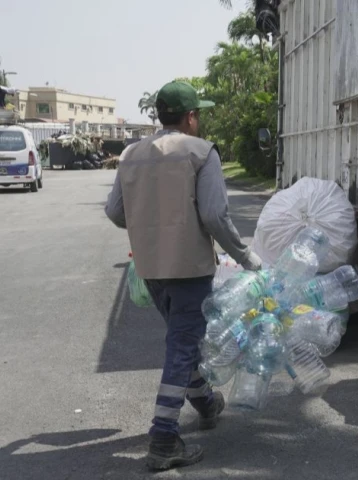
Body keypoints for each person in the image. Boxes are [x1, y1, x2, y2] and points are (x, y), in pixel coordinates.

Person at [104, 81, 262, 471]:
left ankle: (207, 403)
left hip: (151, 271)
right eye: (199, 114)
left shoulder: (131, 154)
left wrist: (148, 224)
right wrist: (245, 256)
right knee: (181, 347)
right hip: (189, 271)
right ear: (191, 117)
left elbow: (114, 211)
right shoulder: (201, 153)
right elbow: (214, 216)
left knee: (184, 340)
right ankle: (163, 438)